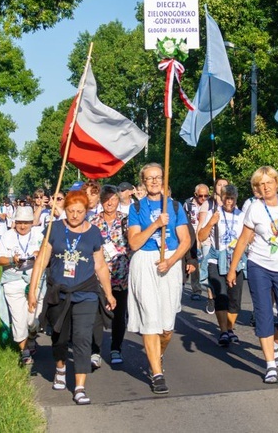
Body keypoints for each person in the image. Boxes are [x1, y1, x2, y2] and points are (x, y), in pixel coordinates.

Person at [27, 190, 116, 406]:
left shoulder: (94, 233)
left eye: (80, 211)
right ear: (64, 209)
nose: (75, 215)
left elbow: (100, 265)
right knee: (59, 338)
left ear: (87, 211)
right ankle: (60, 368)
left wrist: (109, 292)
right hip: (59, 291)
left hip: (86, 292)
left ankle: (79, 387)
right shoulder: (54, 229)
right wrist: (32, 291)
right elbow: (41, 261)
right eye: (71, 211)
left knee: (82, 338)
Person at [227, 167, 278, 384]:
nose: (265, 187)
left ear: (277, 183)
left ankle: (276, 343)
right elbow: (243, 239)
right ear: (256, 188)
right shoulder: (255, 208)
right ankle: (270, 365)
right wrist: (233, 268)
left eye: (269, 182)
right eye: (260, 184)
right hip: (259, 265)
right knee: (264, 314)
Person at [127, 163, 192, 395]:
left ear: (163, 180)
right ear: (143, 182)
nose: (154, 181)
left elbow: (186, 240)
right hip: (145, 263)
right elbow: (133, 243)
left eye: (158, 178)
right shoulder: (136, 207)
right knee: (150, 320)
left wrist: (171, 261)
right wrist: (156, 224)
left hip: (170, 264)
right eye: (149, 178)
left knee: (166, 326)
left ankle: (158, 353)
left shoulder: (174, 205)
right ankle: (157, 373)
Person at [198, 185, 246, 347]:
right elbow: (201, 236)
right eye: (227, 198)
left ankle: (231, 328)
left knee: (235, 298)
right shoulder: (214, 214)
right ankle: (224, 330)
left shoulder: (241, 216)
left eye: (232, 198)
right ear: (222, 198)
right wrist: (210, 223)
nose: (229, 202)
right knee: (221, 295)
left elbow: (247, 238)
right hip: (216, 259)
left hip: (236, 260)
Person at [0, 206, 44, 366]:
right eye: (19, 222)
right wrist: (11, 260)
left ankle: (31, 338)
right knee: (18, 319)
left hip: (34, 280)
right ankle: (24, 352)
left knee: (33, 319)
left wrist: (39, 254)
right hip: (13, 280)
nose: (23, 226)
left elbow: (48, 254)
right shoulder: (7, 236)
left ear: (32, 222)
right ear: (14, 222)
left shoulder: (39, 234)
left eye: (26, 223)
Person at [89, 185, 130, 365]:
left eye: (113, 199)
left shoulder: (126, 220)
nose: (110, 203)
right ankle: (95, 351)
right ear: (101, 201)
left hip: (121, 274)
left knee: (118, 315)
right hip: (98, 275)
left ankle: (116, 348)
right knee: (97, 314)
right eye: (106, 199)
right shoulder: (94, 222)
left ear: (118, 201)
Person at [198, 178, 229, 315]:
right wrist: (198, 242)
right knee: (211, 272)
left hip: (225, 243)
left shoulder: (230, 203)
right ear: (215, 187)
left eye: (225, 185)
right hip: (209, 242)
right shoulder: (208, 203)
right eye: (219, 185)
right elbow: (202, 223)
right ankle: (211, 298)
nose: (222, 187)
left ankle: (223, 296)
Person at [182, 184, 208, 300]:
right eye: (201, 196)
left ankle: (211, 291)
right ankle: (196, 289)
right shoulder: (188, 204)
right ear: (195, 194)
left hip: (205, 236)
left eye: (206, 196)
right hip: (191, 236)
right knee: (194, 262)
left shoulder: (210, 205)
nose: (203, 198)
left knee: (206, 264)